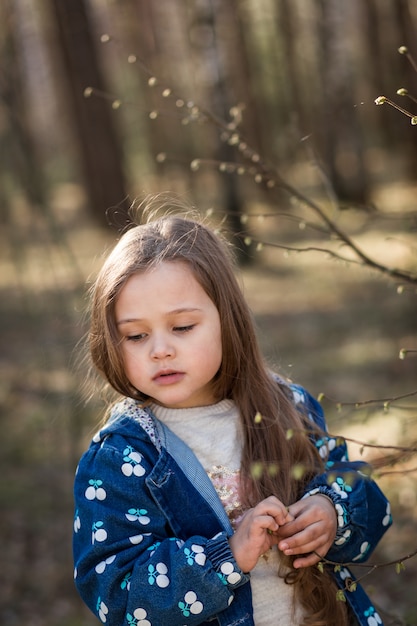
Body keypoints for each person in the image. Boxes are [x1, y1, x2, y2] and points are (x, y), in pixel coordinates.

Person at [73, 200, 392, 626]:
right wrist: (224, 556)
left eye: (182, 327)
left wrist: (332, 512)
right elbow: (115, 591)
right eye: (135, 335)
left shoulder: (286, 407)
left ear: (228, 319)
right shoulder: (121, 458)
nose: (160, 349)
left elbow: (362, 494)